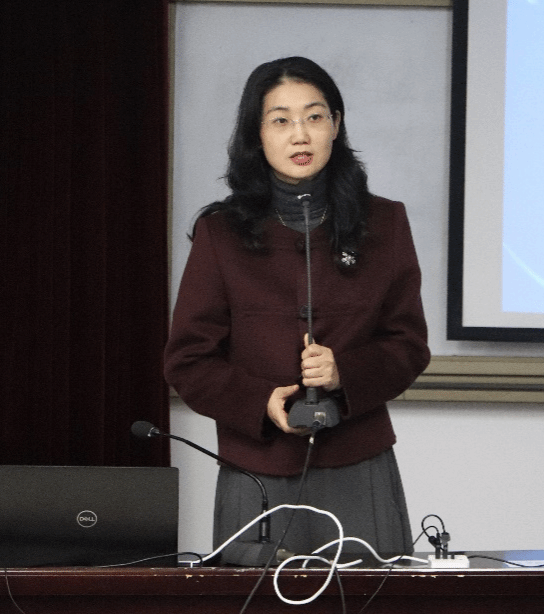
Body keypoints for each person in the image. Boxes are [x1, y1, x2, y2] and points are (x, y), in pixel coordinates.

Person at [164, 56, 431, 559]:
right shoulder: (220, 233)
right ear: (257, 134)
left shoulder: (385, 223)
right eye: (281, 120)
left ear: (336, 124)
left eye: (314, 116)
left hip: (359, 464)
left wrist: (344, 372)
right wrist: (259, 402)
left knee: (371, 594)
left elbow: (409, 345)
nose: (300, 135)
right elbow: (188, 361)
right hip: (257, 468)